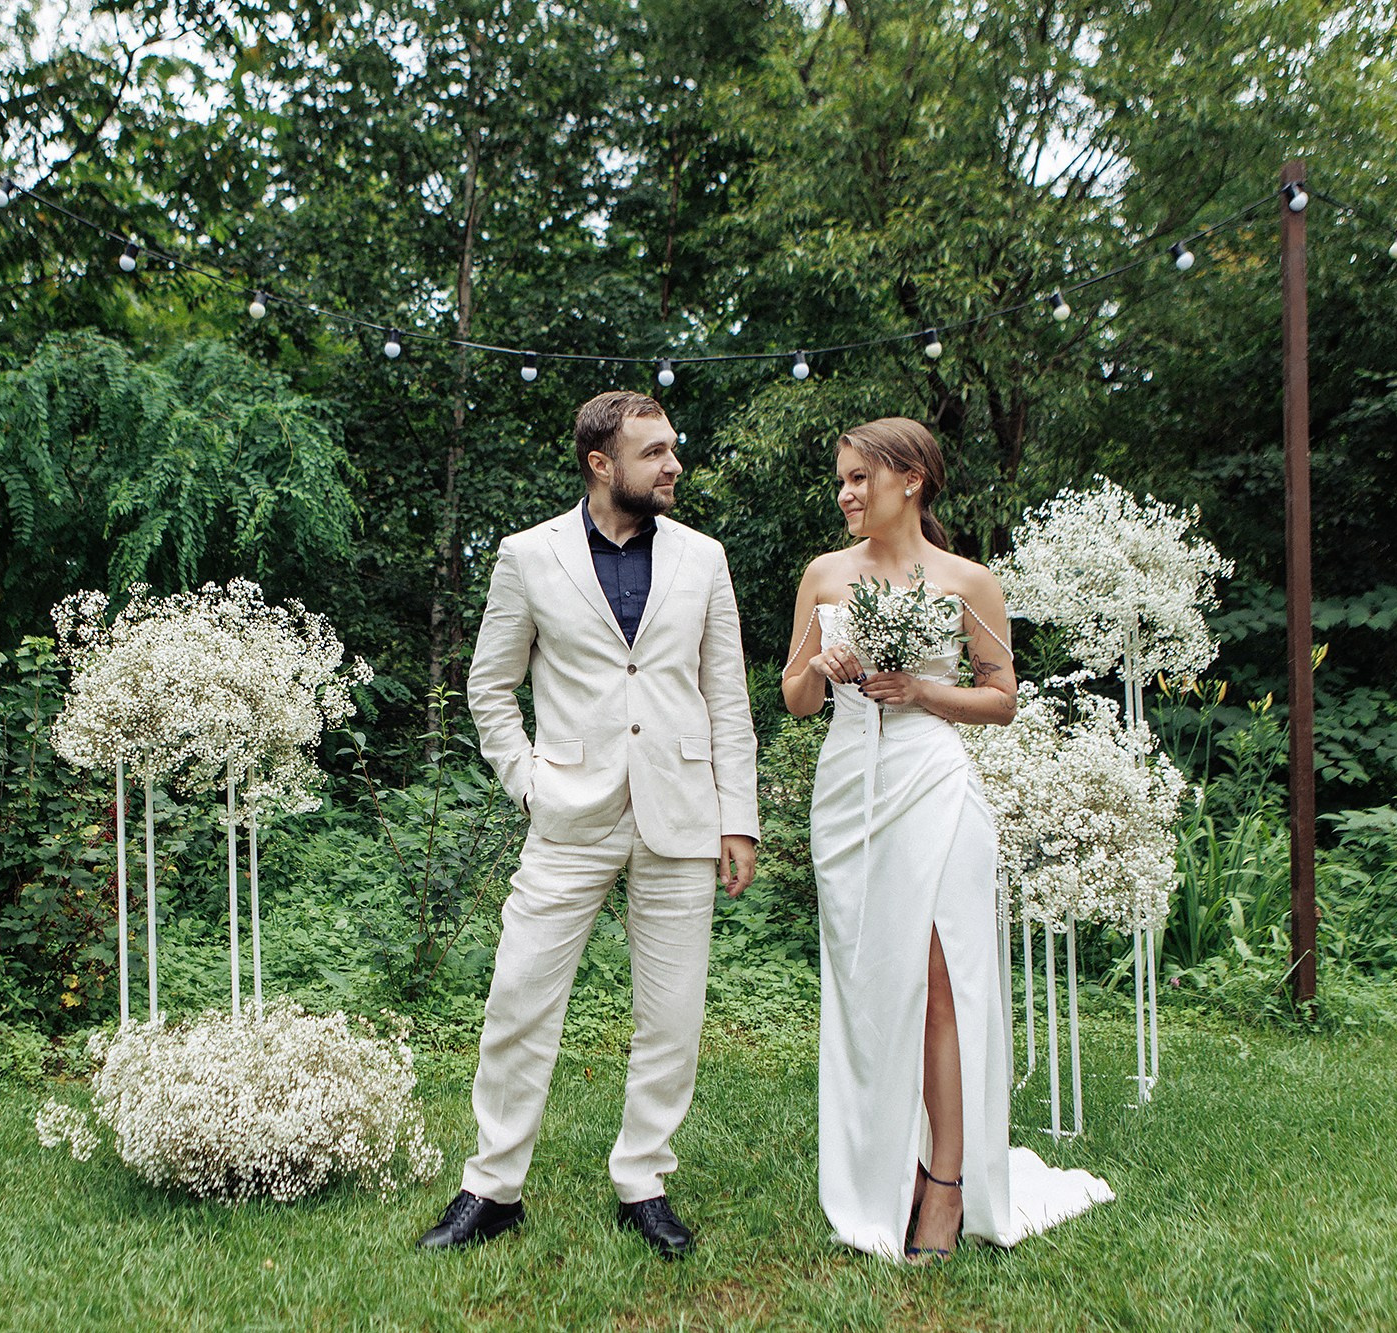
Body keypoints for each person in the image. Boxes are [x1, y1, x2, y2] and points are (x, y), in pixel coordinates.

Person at [418, 390, 759, 1259]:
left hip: (682, 812)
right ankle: (491, 1186)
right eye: (654, 452)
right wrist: (528, 781)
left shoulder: (704, 558)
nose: (673, 464)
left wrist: (739, 817)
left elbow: (727, 697)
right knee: (519, 997)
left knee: (672, 1012)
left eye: (673, 448)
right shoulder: (528, 556)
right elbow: (489, 687)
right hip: (569, 809)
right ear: (601, 464)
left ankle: (643, 1176)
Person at [781, 418, 1112, 1262]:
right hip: (851, 790)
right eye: (843, 480)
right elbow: (795, 700)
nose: (848, 494)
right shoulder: (824, 574)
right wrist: (820, 669)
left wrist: (924, 691)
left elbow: (1002, 698)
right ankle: (873, 1168)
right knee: (869, 985)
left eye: (861, 478)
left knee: (939, 977)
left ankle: (947, 1180)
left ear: (912, 480)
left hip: (936, 785)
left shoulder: (968, 580)